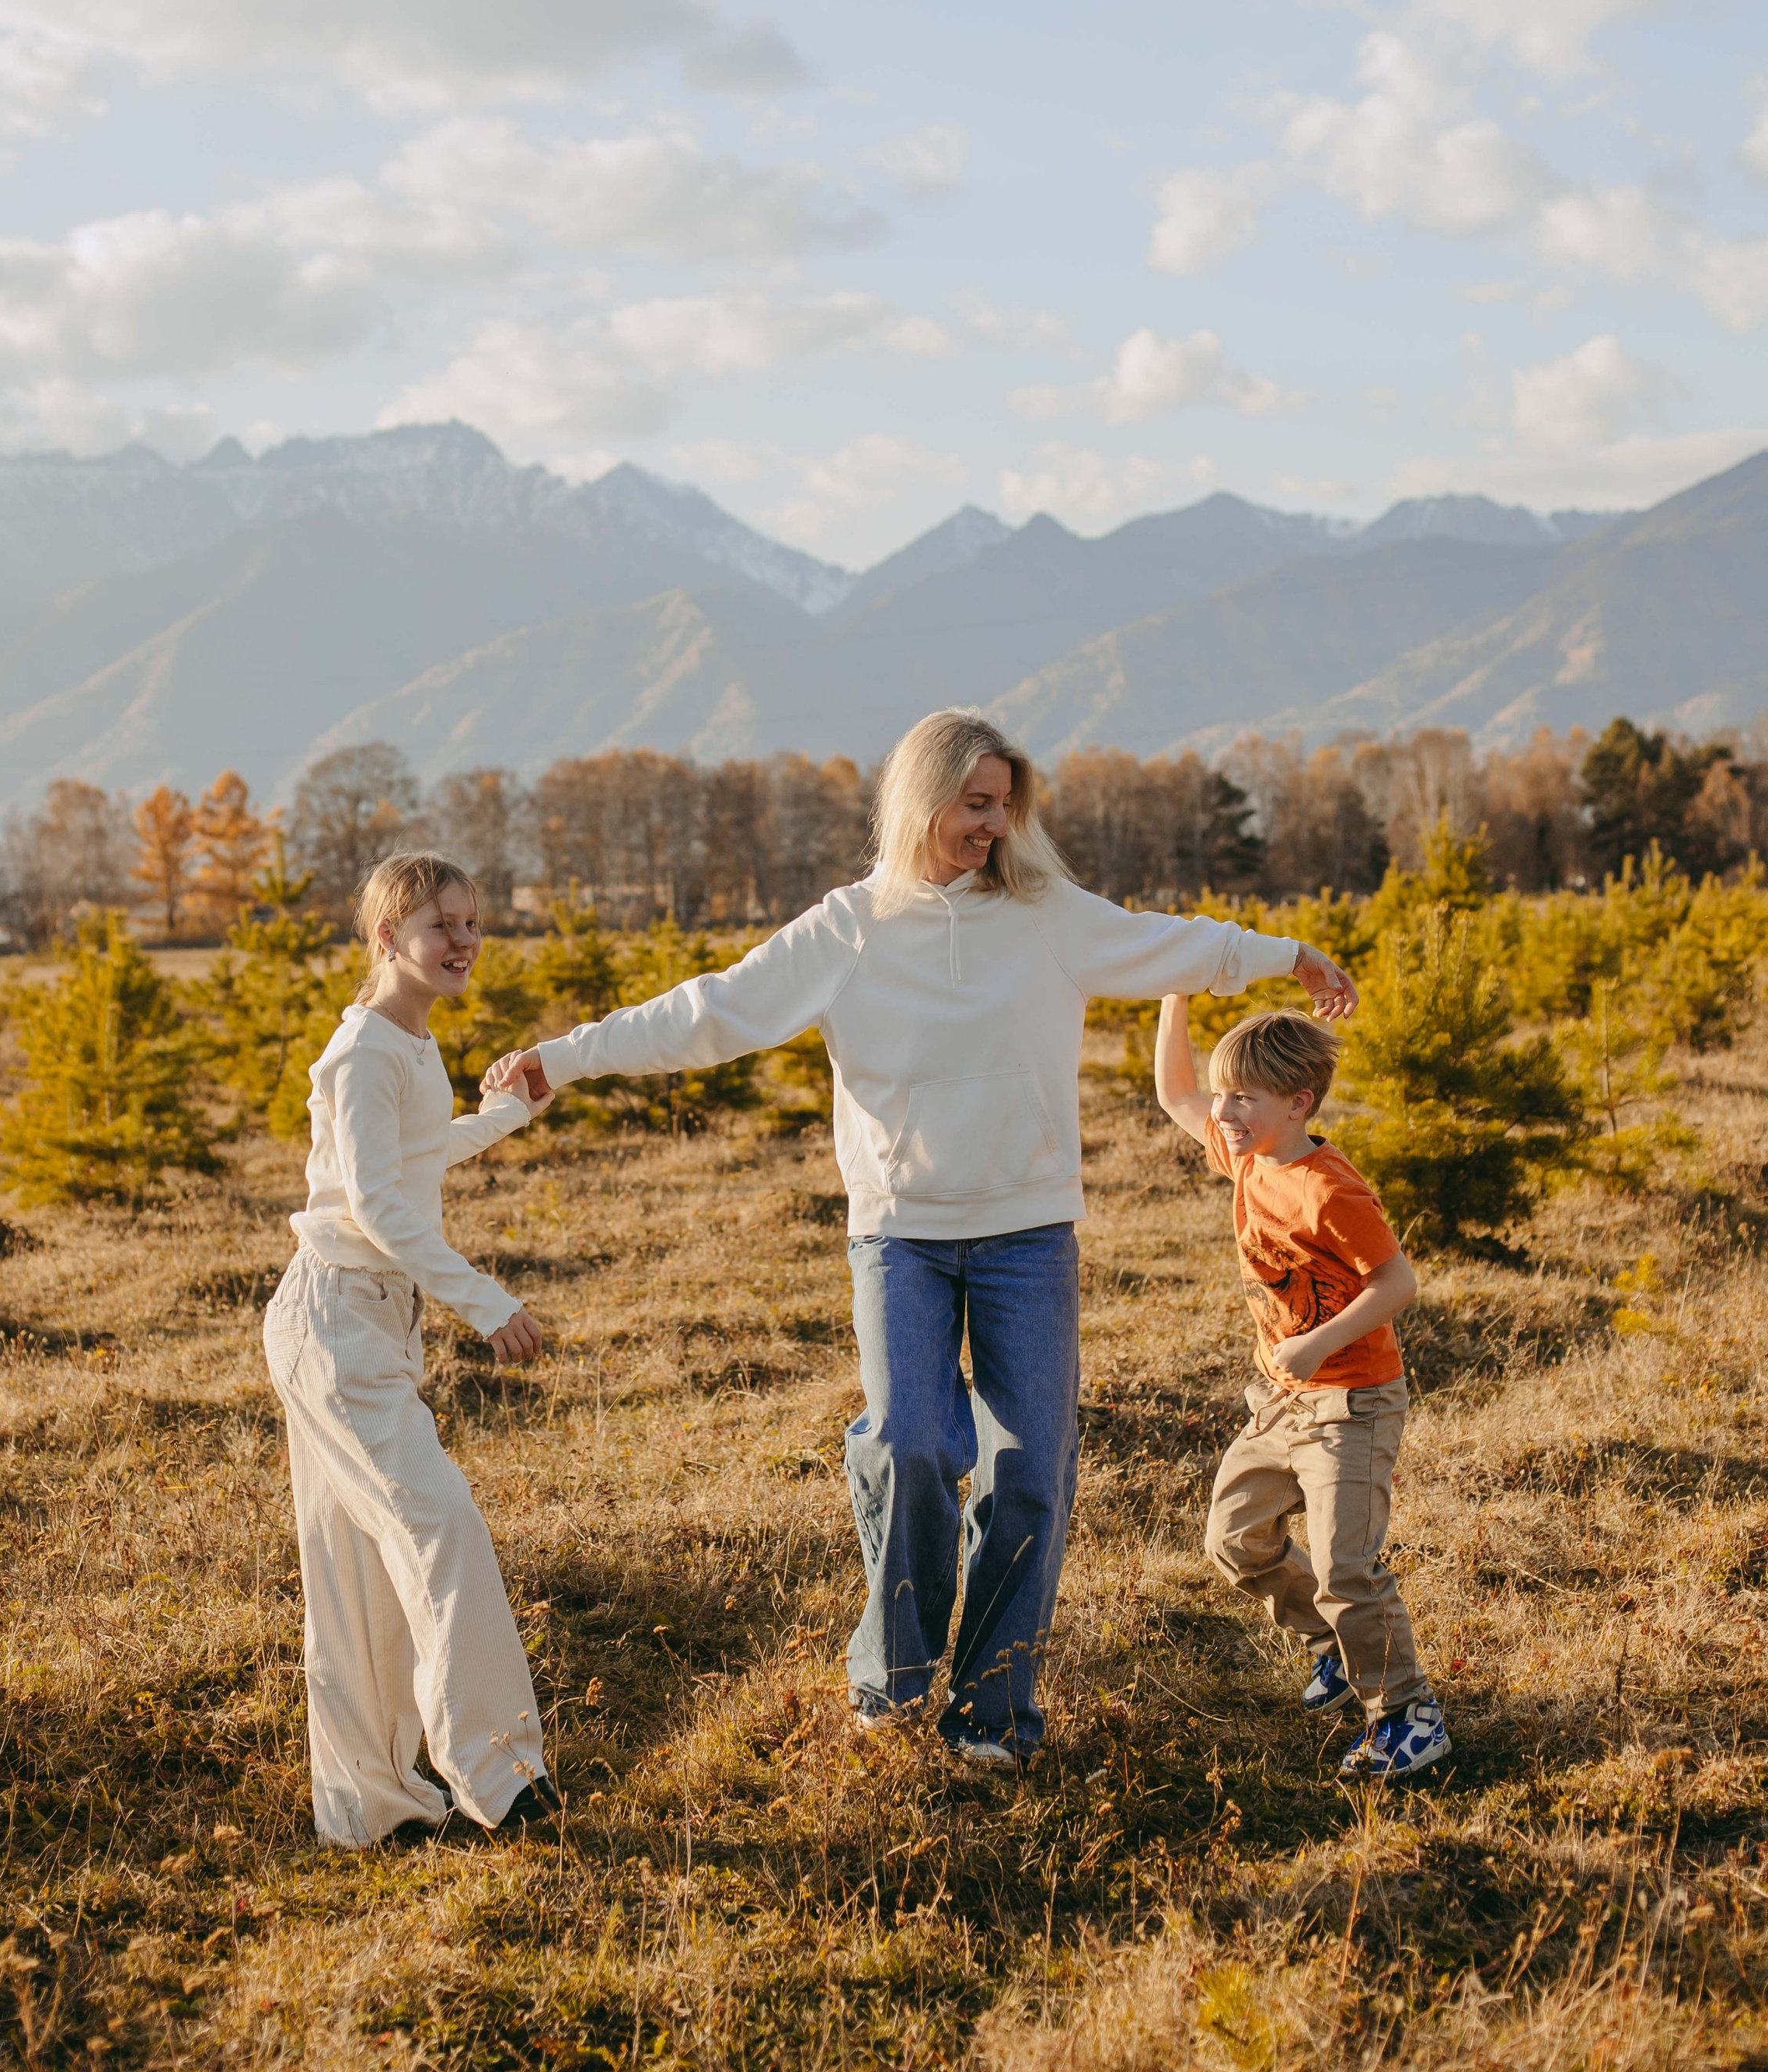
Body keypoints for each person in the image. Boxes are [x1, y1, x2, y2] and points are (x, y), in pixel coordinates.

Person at [483, 707, 1355, 1770]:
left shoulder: (1043, 915)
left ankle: (993, 1712)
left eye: (1005, 805)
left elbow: (1168, 942)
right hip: (900, 1235)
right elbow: (713, 1011)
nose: (993, 825)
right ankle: (891, 1677)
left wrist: (1288, 953)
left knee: (1031, 1471)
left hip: (1029, 1232)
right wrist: (562, 1059)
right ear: (920, 799)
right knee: (911, 1445)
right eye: (974, 804)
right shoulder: (849, 927)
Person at [263, 849, 560, 1846]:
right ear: (388, 937)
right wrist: (482, 1300)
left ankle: (373, 1810)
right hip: (336, 1323)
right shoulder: (359, 1054)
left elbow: (413, 1158)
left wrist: (504, 1118)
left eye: (472, 923)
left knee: (363, 1572)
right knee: (441, 1528)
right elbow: (382, 1203)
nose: (465, 942)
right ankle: (502, 1780)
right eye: (444, 926)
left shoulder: (409, 1043)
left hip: (373, 1322)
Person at [1152, 999, 1451, 1781]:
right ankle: (1328, 1642)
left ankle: (1405, 1715)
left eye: (1242, 1098)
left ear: (1297, 1104)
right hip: (1281, 1399)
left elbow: (1397, 1282)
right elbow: (1174, 1094)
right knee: (1232, 1540)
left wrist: (1318, 1342)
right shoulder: (1248, 1155)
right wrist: (1173, 998)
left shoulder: (1329, 1189)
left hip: (1351, 1399)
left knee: (1348, 1565)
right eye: (1224, 1095)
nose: (1222, 1112)